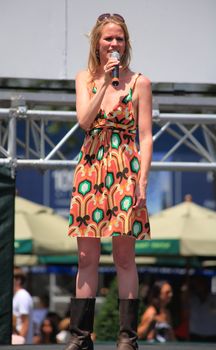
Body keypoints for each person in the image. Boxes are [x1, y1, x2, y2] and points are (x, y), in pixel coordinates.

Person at [66, 13, 152, 350]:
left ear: (125, 43)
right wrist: (104, 82)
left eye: (119, 39)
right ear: (97, 43)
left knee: (124, 257)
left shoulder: (140, 82)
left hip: (124, 171)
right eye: (108, 39)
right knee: (86, 257)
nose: (113, 44)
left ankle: (127, 338)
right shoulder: (85, 79)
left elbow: (145, 137)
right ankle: (80, 336)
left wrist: (143, 180)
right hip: (91, 169)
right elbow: (85, 122)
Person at [13, 267, 34, 344]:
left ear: (18, 280)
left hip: (21, 344)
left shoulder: (22, 295)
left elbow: (25, 322)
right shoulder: (16, 296)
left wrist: (19, 343)